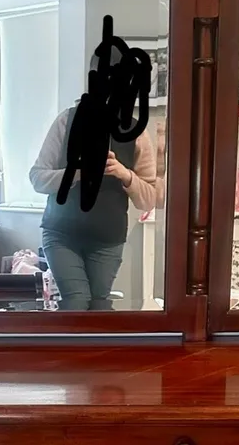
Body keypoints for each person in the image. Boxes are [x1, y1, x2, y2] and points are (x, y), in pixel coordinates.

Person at [29, 106, 157, 310]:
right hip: (62, 234)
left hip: (107, 240)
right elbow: (37, 179)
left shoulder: (136, 131)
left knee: (99, 306)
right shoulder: (67, 120)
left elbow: (149, 200)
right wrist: (78, 171)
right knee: (76, 302)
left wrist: (125, 174)